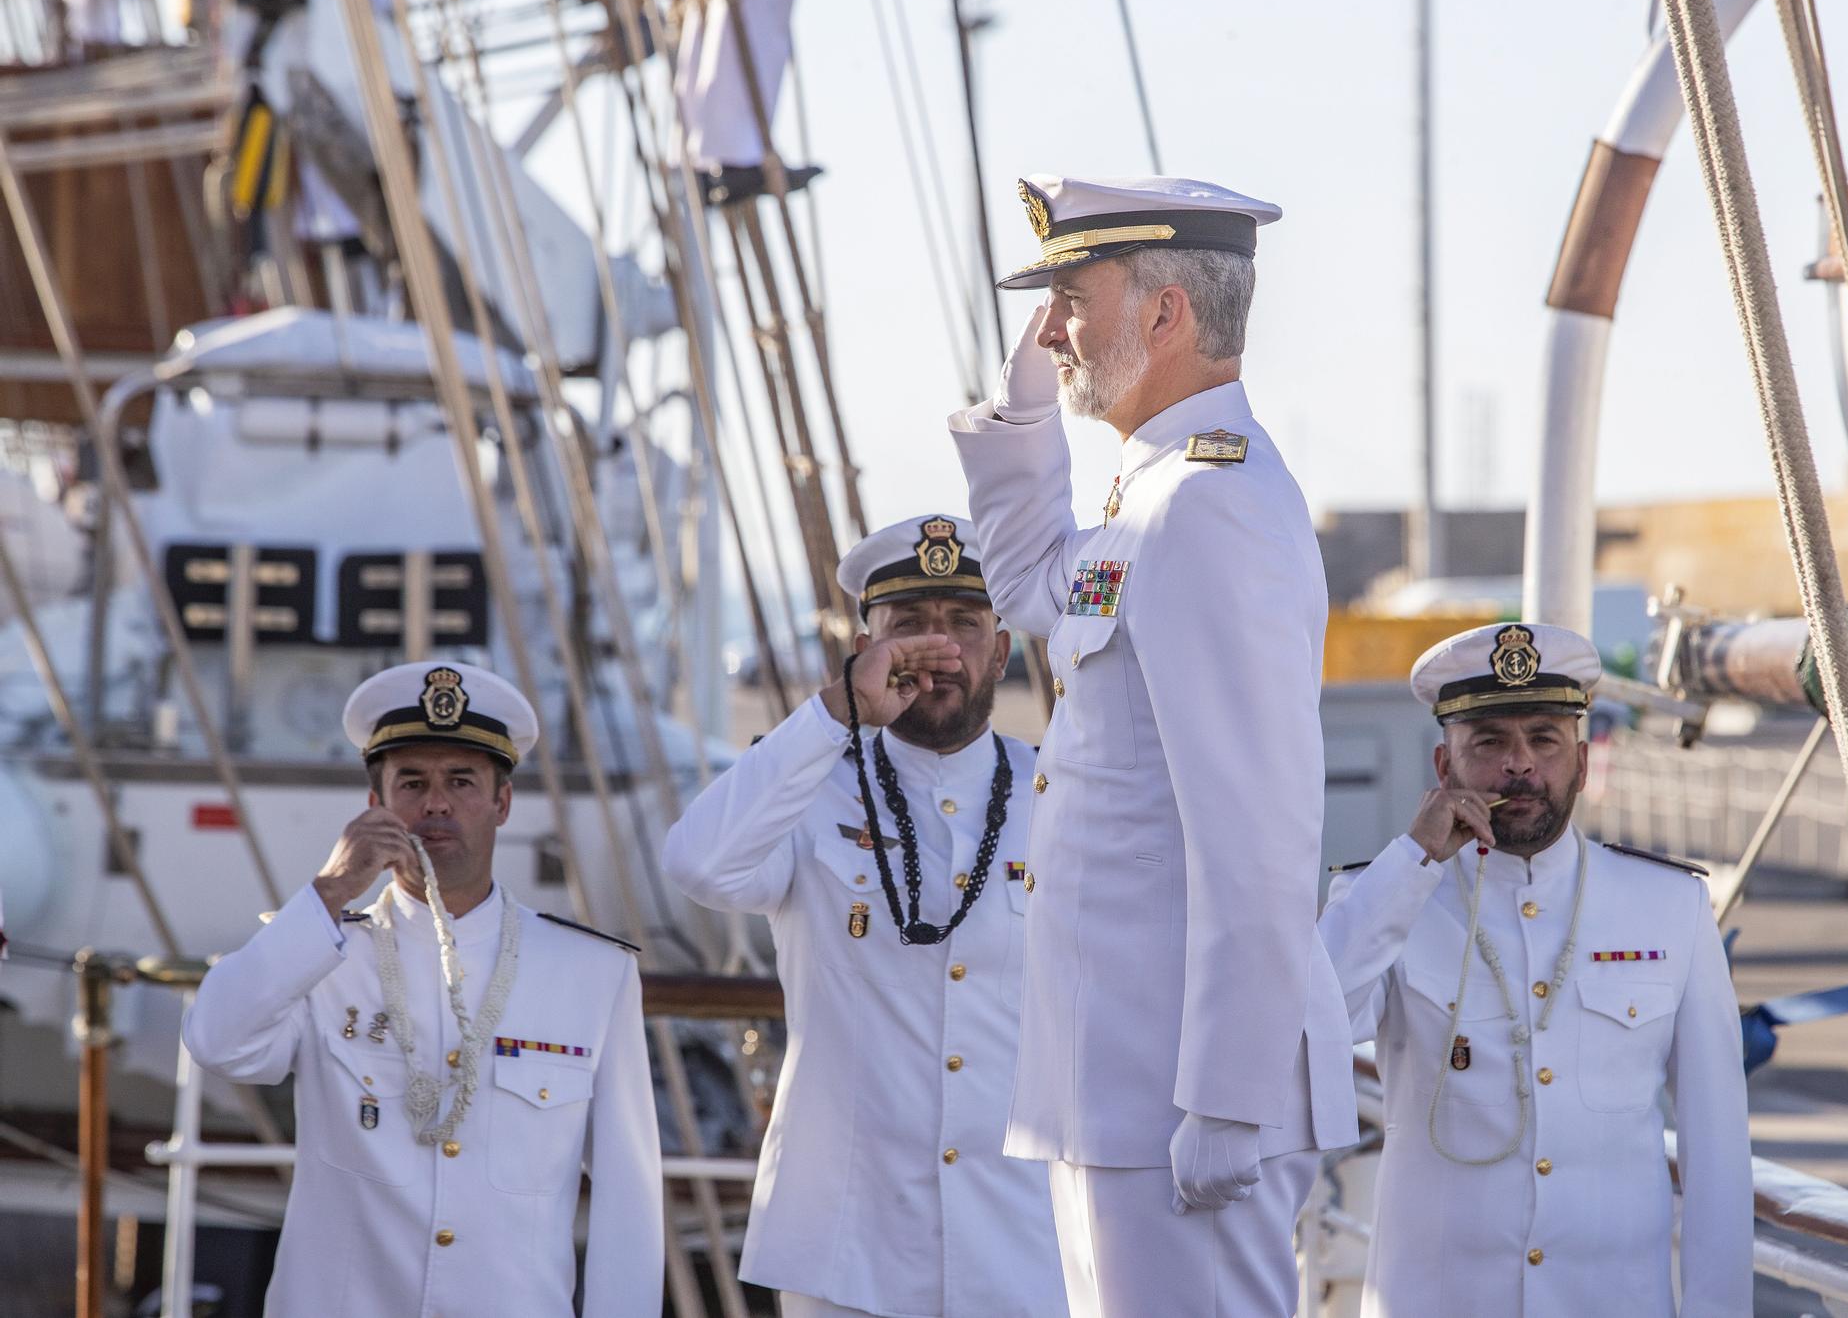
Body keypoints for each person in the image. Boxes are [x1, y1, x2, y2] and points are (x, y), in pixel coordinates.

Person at [947, 174, 1357, 1318]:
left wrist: (1225, 1094)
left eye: (1073, 297)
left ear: (1166, 314)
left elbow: (1259, 827)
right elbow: (1029, 580)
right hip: (1119, 1080)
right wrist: (1025, 404)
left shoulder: (1209, 506)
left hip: (1178, 1088)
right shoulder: (1154, 492)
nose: (1052, 326)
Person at [660, 514, 1067, 1318]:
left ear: (1002, 650)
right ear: (864, 643)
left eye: (963, 624)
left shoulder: (1064, 796)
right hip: (848, 1247)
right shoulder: (808, 784)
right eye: (908, 624)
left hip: (1023, 1240)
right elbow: (696, 864)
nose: (937, 647)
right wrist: (834, 712)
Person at [182, 661, 664, 1318]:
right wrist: (329, 889)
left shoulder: (590, 972)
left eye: (461, 780)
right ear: (375, 806)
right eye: (412, 782)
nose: (436, 802)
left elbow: (627, 1200)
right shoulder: (318, 951)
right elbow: (216, 1041)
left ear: (502, 802)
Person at [1318, 622, 1752, 1316]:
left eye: (1543, 738)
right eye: (1489, 741)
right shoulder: (1386, 898)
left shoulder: (1669, 907)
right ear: (1443, 767)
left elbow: (1718, 1155)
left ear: (1580, 761)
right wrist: (1411, 862)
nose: (1519, 764)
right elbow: (1312, 1024)